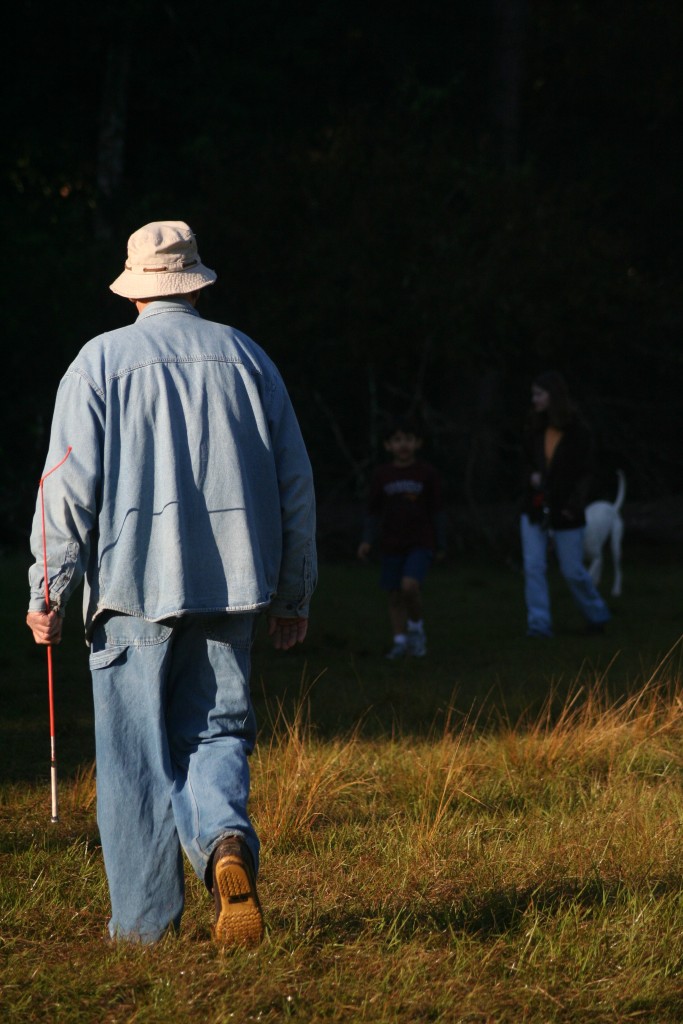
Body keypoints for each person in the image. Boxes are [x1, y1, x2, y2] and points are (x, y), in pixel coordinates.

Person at [25, 220, 317, 946]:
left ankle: (146, 930)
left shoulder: (98, 362)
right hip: (234, 583)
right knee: (216, 731)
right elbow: (295, 485)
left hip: (129, 590)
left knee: (133, 759)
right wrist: (294, 593)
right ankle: (223, 839)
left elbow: (65, 490)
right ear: (195, 281)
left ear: (134, 288)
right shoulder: (249, 359)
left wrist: (49, 589)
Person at [520, 370, 610, 638]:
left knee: (572, 570)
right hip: (535, 508)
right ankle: (539, 625)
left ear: (553, 396)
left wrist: (574, 504)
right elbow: (523, 461)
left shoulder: (577, 432)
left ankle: (597, 614)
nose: (534, 399)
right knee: (533, 566)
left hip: (567, 511)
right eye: (533, 394)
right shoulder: (533, 428)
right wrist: (530, 477)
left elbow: (586, 472)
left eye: (539, 394)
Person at [357, 414, 446, 659]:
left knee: (409, 587)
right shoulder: (382, 475)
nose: (403, 445)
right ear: (388, 445)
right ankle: (400, 641)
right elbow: (373, 511)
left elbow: (437, 510)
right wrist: (367, 540)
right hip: (391, 543)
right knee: (394, 594)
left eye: (408, 439)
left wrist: (441, 543)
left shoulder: (427, 473)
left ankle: (416, 630)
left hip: (420, 543)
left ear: (418, 443)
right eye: (397, 440)